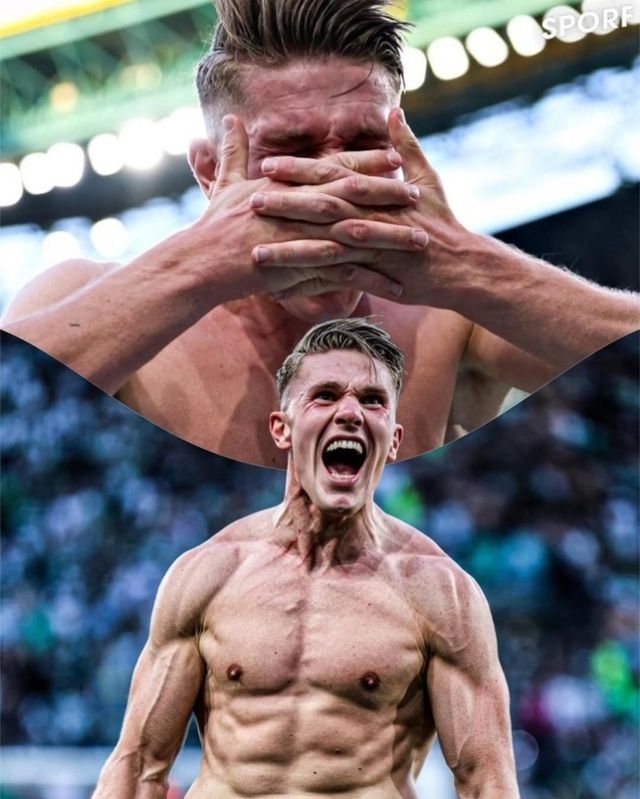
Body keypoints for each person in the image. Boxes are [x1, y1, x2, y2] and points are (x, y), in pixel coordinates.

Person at [2, 0, 637, 468]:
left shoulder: (455, 313)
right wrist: (195, 268)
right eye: (292, 151)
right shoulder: (84, 298)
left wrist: (469, 265)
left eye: (365, 143)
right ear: (210, 172)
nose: (336, 182)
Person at [92, 318, 519, 799]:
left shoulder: (440, 593)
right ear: (282, 429)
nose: (350, 413)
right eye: (326, 395)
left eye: (373, 401)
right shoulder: (208, 574)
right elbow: (138, 767)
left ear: (394, 440)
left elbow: (487, 780)